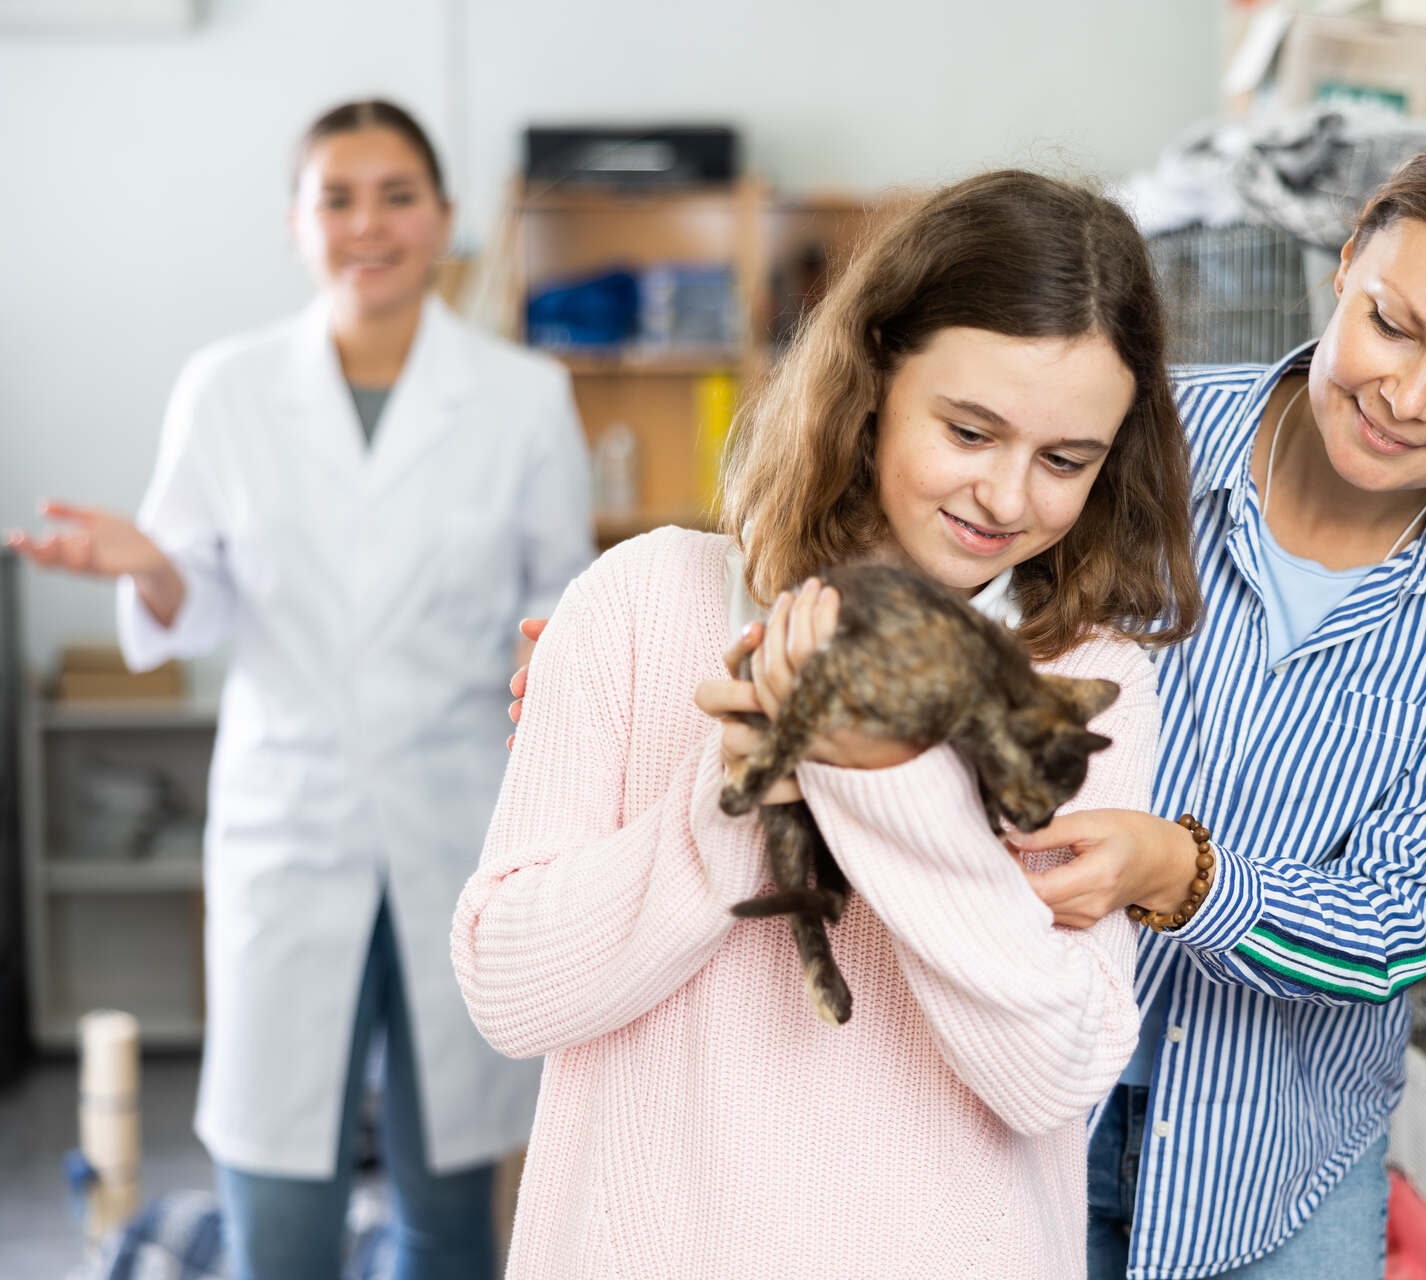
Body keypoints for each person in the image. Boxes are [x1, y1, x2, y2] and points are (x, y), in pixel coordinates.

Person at [453, 169, 1202, 1278]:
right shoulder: (643, 599)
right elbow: (512, 992)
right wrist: (740, 791)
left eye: (1064, 461)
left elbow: (1053, 1069)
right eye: (969, 429)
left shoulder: (1082, 678)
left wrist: (883, 776)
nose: (1005, 496)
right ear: (873, 377)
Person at [1002, 116, 1426, 1278]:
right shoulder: (1146, 438)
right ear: (1347, 259)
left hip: (1275, 1161)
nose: (1406, 394)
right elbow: (933, 593)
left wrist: (1180, 875)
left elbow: (1399, 919)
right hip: (1013, 1095)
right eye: (1392, 323)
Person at [8, 100, 592, 1279]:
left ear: (442, 219)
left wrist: (561, 661)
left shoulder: (524, 396)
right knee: (280, 1186)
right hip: (293, 823)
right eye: (337, 197)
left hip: (458, 820)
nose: (366, 223)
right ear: (296, 222)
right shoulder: (225, 390)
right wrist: (156, 569)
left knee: (451, 1184)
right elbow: (199, 605)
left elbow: (563, 602)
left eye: (395, 195)